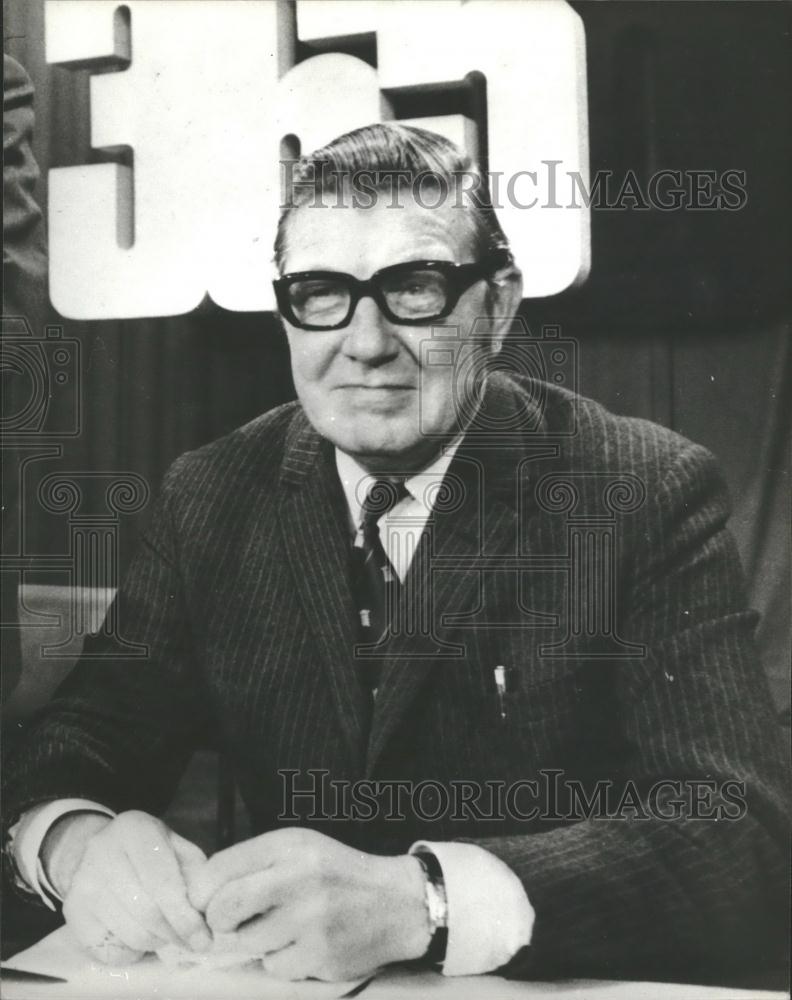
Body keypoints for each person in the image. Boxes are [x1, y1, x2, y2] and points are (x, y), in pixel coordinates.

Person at [3, 124, 788, 984]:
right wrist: (73, 839)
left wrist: (427, 903)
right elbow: (88, 732)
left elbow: (736, 833)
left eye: (416, 288)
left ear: (498, 306)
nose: (366, 341)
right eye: (321, 292)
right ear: (286, 314)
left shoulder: (641, 489)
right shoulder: (211, 493)